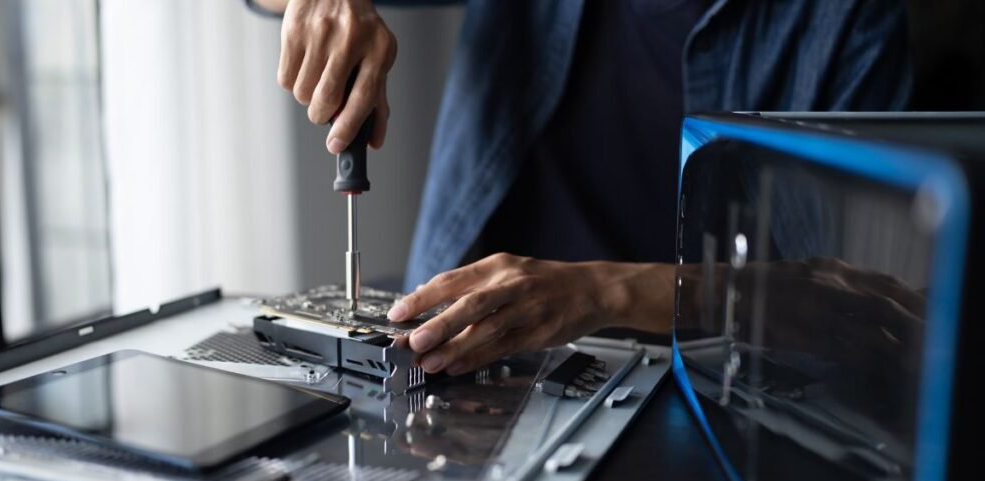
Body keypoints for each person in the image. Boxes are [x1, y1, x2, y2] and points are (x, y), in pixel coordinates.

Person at [249, 0, 913, 375]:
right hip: (457, 365)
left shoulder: (850, 22)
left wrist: (603, 291)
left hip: (698, 396)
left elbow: (863, 306)